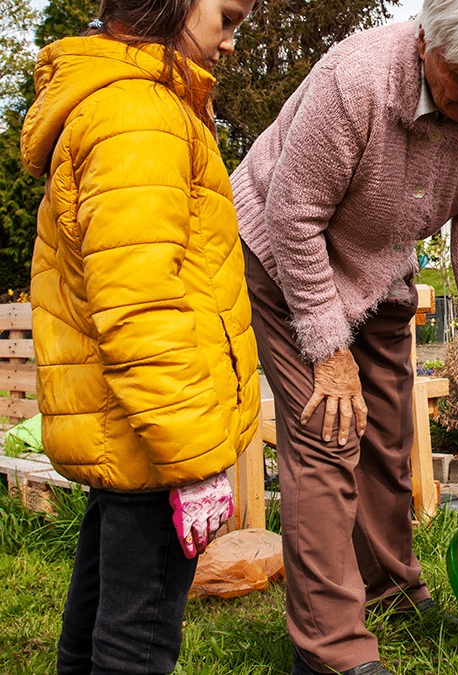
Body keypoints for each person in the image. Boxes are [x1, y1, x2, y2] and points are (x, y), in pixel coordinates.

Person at [229, 1, 458, 673]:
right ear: (427, 40)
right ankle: (329, 647)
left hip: (377, 267)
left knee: (389, 435)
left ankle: (390, 591)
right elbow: (293, 213)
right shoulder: (359, 78)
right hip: (285, 257)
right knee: (328, 433)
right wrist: (329, 351)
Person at [20, 0, 261, 671]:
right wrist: (193, 460)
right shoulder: (140, 118)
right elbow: (141, 305)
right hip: (154, 440)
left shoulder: (136, 106)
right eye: (228, 17)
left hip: (131, 431)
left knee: (100, 618)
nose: (232, 42)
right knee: (137, 642)